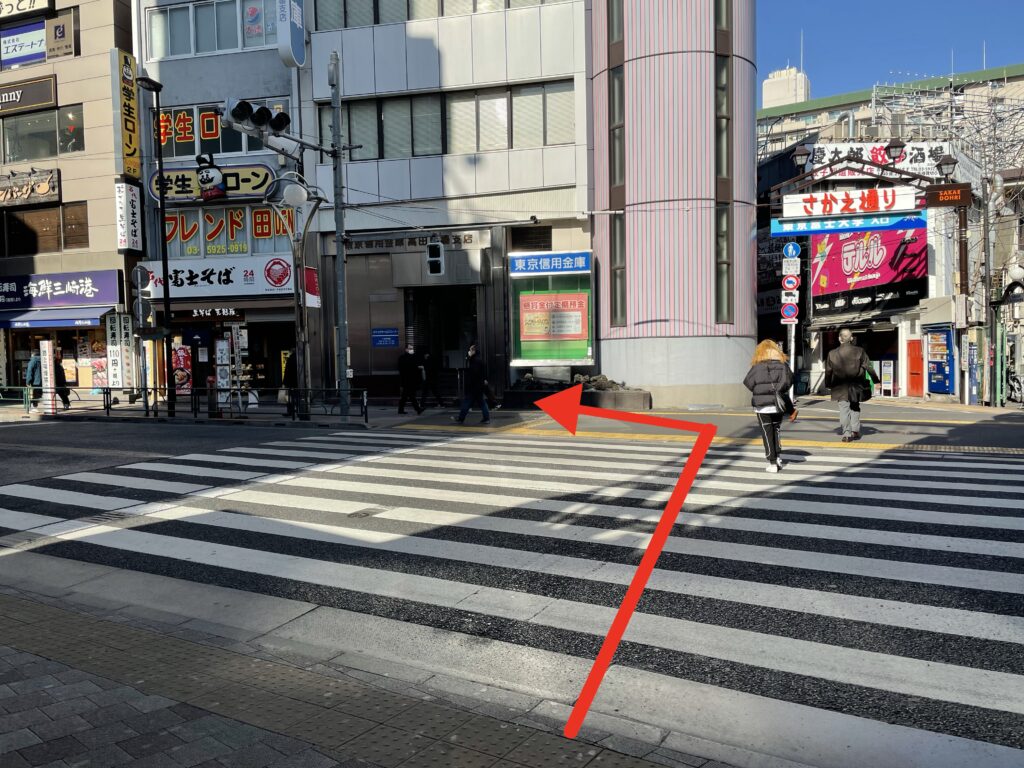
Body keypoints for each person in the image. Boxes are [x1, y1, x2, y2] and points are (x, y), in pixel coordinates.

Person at [743, 340, 796, 473]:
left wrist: (759, 390)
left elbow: (748, 382)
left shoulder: (756, 367)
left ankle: (772, 462)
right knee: (776, 429)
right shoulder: (783, 365)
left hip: (762, 405)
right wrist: (779, 390)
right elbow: (790, 381)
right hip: (778, 403)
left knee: (767, 432)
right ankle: (778, 457)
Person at [825, 328, 879, 442]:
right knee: (855, 406)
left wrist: (828, 384)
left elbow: (828, 371)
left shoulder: (832, 353)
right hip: (856, 384)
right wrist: (876, 381)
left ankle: (846, 434)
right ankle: (855, 430)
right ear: (851, 338)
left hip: (839, 386)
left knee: (844, 409)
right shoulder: (859, 351)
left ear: (839, 338)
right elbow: (868, 366)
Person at [453, 343, 490, 425]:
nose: (469, 352)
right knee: (482, 402)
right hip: (479, 386)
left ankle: (461, 418)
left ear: (474, 351)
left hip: (474, 386)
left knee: (467, 402)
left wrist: (469, 358)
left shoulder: (474, 361)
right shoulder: (479, 360)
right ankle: (486, 418)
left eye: (470, 350)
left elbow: (474, 374)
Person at [397, 344, 423, 415]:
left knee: (405, 396)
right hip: (409, 380)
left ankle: (401, 409)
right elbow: (411, 368)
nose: (412, 350)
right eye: (410, 348)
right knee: (411, 395)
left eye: (412, 348)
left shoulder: (404, 357)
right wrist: (418, 368)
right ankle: (418, 409)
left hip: (407, 380)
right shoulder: (406, 358)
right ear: (406, 349)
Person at [282, 350, 298, 418]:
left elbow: (287, 372)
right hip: (298, 382)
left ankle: (290, 411)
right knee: (297, 397)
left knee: (289, 397)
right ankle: (298, 411)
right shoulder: (299, 358)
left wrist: (284, 382)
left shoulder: (290, 359)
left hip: (290, 382)